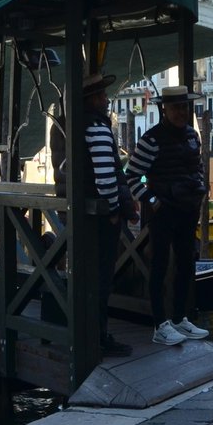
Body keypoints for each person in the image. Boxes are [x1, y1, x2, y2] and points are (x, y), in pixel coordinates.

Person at [128, 85, 206, 346]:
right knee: (159, 266)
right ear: (165, 109)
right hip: (163, 213)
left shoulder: (192, 136)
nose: (181, 111)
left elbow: (198, 167)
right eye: (175, 107)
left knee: (186, 264)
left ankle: (179, 318)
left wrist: (201, 190)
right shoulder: (151, 140)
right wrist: (152, 201)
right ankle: (159, 325)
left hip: (187, 210)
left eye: (184, 107)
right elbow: (131, 176)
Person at [80, 71, 134, 359]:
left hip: (83, 215)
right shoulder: (98, 128)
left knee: (90, 276)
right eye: (101, 96)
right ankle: (99, 335)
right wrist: (114, 210)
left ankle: (92, 332)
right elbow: (105, 175)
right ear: (92, 99)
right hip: (101, 217)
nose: (106, 100)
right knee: (102, 277)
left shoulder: (76, 125)